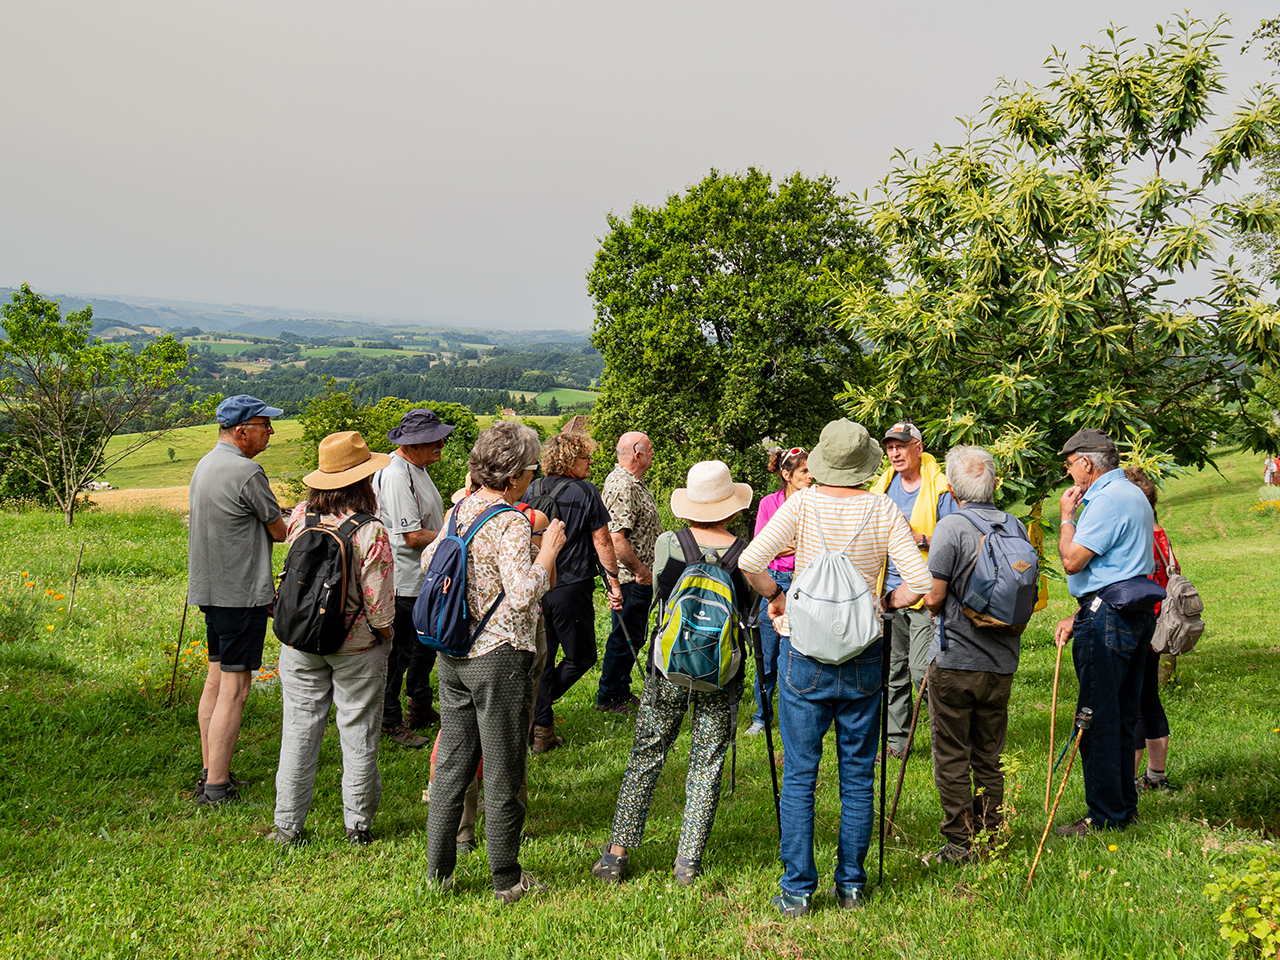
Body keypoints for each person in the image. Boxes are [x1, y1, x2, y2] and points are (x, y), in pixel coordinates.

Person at [739, 419, 932, 917]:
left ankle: (799, 888)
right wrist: (886, 601)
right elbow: (922, 584)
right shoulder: (883, 506)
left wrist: (779, 597)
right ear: (865, 463)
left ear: (824, 461)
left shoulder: (801, 504)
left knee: (801, 774)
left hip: (804, 650)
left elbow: (751, 560)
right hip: (864, 651)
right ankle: (851, 885)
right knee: (857, 775)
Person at [420, 421, 566, 904]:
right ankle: (506, 878)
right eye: (530, 470)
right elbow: (524, 593)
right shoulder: (509, 521)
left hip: (454, 652)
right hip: (499, 657)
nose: (533, 476)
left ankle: (438, 873)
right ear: (515, 477)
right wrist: (547, 553)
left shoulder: (459, 509)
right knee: (504, 771)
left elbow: (428, 566)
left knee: (452, 766)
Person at [592, 461, 754, 886]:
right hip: (720, 671)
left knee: (648, 752)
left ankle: (617, 854)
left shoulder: (670, 542)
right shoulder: (743, 551)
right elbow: (748, 610)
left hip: (668, 666)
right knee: (708, 758)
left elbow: (659, 598)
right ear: (731, 508)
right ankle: (687, 861)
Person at [269, 432, 395, 846]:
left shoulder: (301, 516)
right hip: (356, 643)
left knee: (299, 730)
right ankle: (357, 825)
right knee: (358, 731)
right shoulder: (370, 529)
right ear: (362, 481)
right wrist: (384, 634)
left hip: (301, 640)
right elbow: (378, 600)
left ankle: (287, 825)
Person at [921, 446, 1022, 863]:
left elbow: (933, 599)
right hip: (1001, 662)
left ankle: (960, 843)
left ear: (951, 488)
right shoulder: (1014, 526)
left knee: (951, 754)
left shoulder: (951, 527)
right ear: (994, 484)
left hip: (955, 658)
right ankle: (991, 835)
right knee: (988, 755)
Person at [1054, 428, 1155, 835]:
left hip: (1109, 616)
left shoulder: (1106, 499)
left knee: (1096, 717)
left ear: (1087, 462)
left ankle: (1103, 816)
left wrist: (1066, 519)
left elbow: (1073, 560)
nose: (1069, 471)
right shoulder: (1132, 492)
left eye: (1069, 463)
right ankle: (1123, 806)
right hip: (1133, 609)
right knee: (1124, 713)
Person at [187, 395, 287, 806]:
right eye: (265, 424)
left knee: (214, 680)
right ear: (241, 430)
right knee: (236, 687)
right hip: (242, 594)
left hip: (211, 590)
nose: (271, 432)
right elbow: (279, 531)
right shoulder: (247, 472)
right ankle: (217, 788)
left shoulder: (205, 464)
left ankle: (211, 770)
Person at [527, 432, 623, 753]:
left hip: (538, 583)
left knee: (543, 657)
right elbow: (602, 540)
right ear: (569, 460)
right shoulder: (586, 491)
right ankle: (536, 710)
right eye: (586, 458)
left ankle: (539, 724)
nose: (591, 463)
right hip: (571, 586)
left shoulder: (531, 488)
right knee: (582, 657)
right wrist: (614, 582)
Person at [870, 420, 956, 756]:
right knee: (892, 671)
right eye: (890, 447)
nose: (895, 453)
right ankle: (896, 743)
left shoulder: (940, 487)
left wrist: (918, 537)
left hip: (926, 594)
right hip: (889, 593)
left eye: (901, 446)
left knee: (922, 671)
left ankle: (946, 738)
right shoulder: (883, 487)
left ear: (918, 448)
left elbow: (955, 542)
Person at [374, 408, 455, 749]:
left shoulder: (416, 467)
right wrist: (455, 538)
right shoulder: (396, 475)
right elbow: (410, 536)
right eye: (432, 440)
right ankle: (389, 719)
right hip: (406, 579)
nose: (441, 444)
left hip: (422, 577)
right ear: (411, 443)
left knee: (423, 645)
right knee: (401, 652)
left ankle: (419, 703)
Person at [596, 431, 662, 715]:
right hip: (630, 578)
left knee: (633, 635)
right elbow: (616, 537)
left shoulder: (633, 482)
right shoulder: (623, 485)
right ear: (637, 454)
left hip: (636, 575)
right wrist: (641, 572)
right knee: (624, 637)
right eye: (649, 450)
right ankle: (608, 697)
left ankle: (621, 689)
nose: (652, 455)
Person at [747, 447, 812, 736]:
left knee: (799, 652)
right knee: (768, 652)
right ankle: (762, 716)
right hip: (772, 582)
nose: (811, 477)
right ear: (786, 474)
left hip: (805, 580)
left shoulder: (815, 502)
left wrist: (783, 544)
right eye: (804, 471)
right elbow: (760, 546)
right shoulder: (768, 503)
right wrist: (795, 543)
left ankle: (795, 716)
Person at [1124, 468, 1177, 794]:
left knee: (1132, 701)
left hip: (1139, 624)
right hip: (1160, 628)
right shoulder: (1160, 533)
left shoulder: (1138, 536)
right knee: (1149, 699)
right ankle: (1156, 775)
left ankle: (1128, 779)